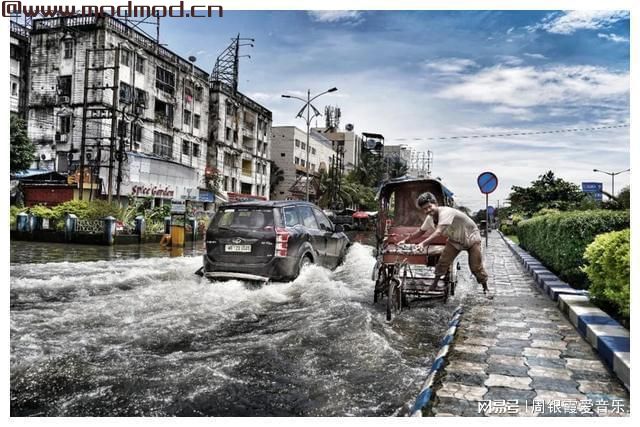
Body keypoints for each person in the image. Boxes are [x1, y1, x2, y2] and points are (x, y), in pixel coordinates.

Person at [397, 192, 492, 298]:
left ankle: (485, 288)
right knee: (442, 262)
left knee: (475, 267)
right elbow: (420, 232)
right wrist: (405, 241)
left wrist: (422, 244)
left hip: (471, 238)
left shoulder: (446, 212)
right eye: (425, 209)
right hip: (455, 240)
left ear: (435, 204)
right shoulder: (430, 219)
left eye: (429, 207)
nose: (428, 210)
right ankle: (434, 284)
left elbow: (438, 232)